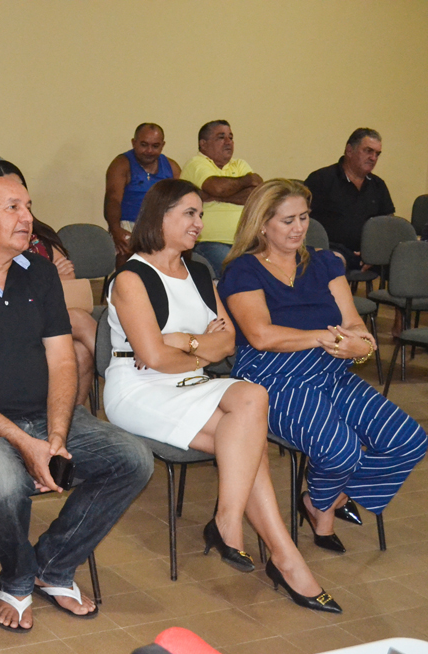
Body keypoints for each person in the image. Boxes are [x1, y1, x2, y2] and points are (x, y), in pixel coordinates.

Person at [0, 176, 154, 632]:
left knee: (133, 458)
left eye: (29, 206)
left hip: (42, 415)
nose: (28, 218)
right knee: (5, 481)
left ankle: (53, 565)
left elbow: (63, 361)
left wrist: (55, 435)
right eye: (14, 207)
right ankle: (18, 578)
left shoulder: (37, 272)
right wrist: (25, 442)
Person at [103, 178, 340, 613]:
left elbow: (228, 342)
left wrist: (182, 342)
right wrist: (194, 345)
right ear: (160, 218)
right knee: (246, 447)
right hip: (140, 391)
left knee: (251, 401)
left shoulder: (198, 272)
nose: (199, 223)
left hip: (190, 381)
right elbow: (152, 358)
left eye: (200, 214)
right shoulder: (131, 277)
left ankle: (231, 522)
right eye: (190, 214)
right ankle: (286, 562)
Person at [219, 178, 426, 555]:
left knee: (407, 439)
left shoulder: (326, 262)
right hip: (271, 378)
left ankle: (321, 501)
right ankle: (325, 508)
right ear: (262, 224)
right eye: (287, 220)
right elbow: (262, 336)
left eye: (304, 217)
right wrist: (324, 338)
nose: (299, 228)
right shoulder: (242, 270)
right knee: (341, 451)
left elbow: (359, 330)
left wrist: (356, 347)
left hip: (330, 371)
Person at [0, 160, 97, 406]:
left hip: (51, 309)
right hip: (9, 318)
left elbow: (68, 279)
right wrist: (48, 275)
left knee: (82, 352)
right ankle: (122, 370)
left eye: (21, 188)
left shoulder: (41, 234)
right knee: (79, 320)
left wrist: (52, 276)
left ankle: (70, 422)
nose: (18, 198)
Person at [304, 128, 394, 272]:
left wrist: (375, 252)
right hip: (330, 250)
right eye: (368, 151)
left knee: (411, 262)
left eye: (377, 154)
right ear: (349, 150)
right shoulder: (321, 179)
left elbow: (387, 224)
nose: (373, 158)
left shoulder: (378, 185)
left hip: (369, 253)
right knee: (333, 261)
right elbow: (302, 219)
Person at [182, 120, 263, 276]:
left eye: (231, 137)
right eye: (221, 137)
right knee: (239, 274)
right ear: (203, 144)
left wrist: (216, 196)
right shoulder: (196, 163)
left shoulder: (240, 164)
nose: (228, 142)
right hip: (211, 242)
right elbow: (216, 187)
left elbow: (256, 196)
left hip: (247, 242)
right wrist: (246, 180)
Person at [104, 123, 182, 264]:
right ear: (134, 143)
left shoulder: (172, 167)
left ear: (163, 145)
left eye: (155, 146)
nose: (149, 150)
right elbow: (113, 199)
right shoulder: (121, 164)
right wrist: (115, 229)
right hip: (129, 224)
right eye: (144, 145)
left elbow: (182, 202)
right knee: (126, 251)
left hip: (161, 225)